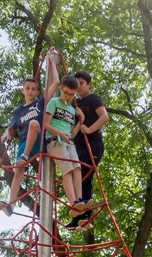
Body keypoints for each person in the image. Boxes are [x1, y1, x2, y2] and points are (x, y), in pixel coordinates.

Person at [0, 77, 44, 216]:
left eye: (33, 89)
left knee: (34, 124)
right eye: (27, 88)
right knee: (18, 173)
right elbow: (11, 127)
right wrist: (5, 135)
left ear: (38, 92)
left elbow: (54, 87)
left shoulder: (40, 103)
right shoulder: (19, 111)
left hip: (38, 137)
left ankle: (26, 155)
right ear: (22, 90)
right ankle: (10, 206)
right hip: (24, 141)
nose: (30, 91)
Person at [68, 70, 108, 230]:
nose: (78, 87)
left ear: (89, 84)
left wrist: (89, 129)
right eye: (76, 84)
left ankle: (85, 216)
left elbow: (104, 117)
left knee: (85, 175)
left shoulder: (93, 99)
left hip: (93, 142)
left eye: (82, 83)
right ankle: (78, 214)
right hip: (79, 146)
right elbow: (72, 132)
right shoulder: (74, 104)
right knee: (73, 177)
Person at [44, 75, 88, 222]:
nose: (68, 96)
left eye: (72, 94)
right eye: (66, 93)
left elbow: (73, 134)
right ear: (61, 89)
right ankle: (73, 203)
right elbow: (45, 124)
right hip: (55, 140)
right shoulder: (54, 102)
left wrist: (81, 120)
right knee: (67, 170)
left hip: (68, 141)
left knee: (77, 168)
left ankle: (79, 200)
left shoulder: (71, 109)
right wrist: (59, 134)